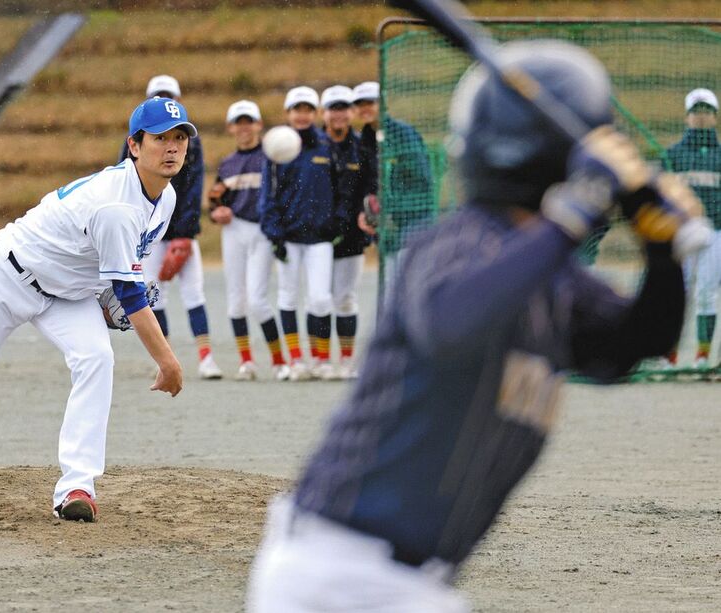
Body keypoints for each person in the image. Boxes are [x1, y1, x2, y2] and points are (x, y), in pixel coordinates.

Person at [247, 41, 705, 611]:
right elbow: (453, 324)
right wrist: (578, 206)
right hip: (341, 570)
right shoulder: (455, 243)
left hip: (405, 581)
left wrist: (662, 253)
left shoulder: (554, 279)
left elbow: (637, 345)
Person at [0, 97, 193, 523]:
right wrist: (168, 361)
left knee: (97, 358)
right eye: (161, 138)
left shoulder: (167, 198)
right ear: (134, 146)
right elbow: (130, 291)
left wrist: (105, 299)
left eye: (180, 138)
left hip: (67, 294)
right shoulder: (115, 205)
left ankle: (77, 487)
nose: (173, 147)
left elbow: (115, 272)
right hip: (5, 275)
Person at [120, 75, 223, 380]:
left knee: (194, 292)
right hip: (149, 233)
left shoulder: (192, 142)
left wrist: (185, 235)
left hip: (179, 229)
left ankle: (206, 358)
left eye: (170, 97)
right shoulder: (137, 140)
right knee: (154, 295)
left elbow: (192, 189)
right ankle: (165, 359)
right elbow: (125, 184)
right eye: (158, 96)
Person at [259, 86, 345, 381]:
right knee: (288, 297)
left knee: (321, 299)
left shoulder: (326, 146)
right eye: (297, 109)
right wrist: (274, 235)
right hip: (289, 238)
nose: (302, 115)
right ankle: (296, 361)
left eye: (308, 109)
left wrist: (338, 223)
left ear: (315, 113)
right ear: (288, 114)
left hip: (320, 237)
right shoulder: (276, 148)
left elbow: (339, 190)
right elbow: (267, 196)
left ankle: (321, 360)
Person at [208, 100, 291, 381]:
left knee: (257, 300)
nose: (244, 128)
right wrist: (216, 212)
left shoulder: (271, 155)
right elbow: (216, 199)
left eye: (249, 122)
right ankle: (247, 363)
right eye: (238, 123)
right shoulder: (228, 164)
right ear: (231, 128)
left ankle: (280, 362)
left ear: (258, 125)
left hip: (262, 231)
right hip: (234, 230)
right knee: (235, 301)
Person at [353, 81, 435, 296]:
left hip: (413, 221)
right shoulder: (366, 138)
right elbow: (367, 183)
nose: (365, 108)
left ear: (383, 103)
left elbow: (422, 180)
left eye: (370, 102)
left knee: (409, 290)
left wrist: (388, 207)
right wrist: (366, 213)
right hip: (389, 227)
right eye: (360, 104)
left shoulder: (403, 134)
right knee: (390, 289)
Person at [665, 88, 721, 368]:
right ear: (687, 117)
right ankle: (670, 355)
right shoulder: (672, 154)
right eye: (696, 111)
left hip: (715, 232)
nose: (701, 116)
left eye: (707, 111)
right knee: (677, 291)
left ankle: (702, 356)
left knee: (707, 291)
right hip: (682, 231)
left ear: (715, 117)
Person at [320, 85, 372, 379]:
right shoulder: (314, 144)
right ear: (324, 113)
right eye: (333, 108)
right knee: (320, 298)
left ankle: (347, 361)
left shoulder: (361, 146)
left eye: (344, 108)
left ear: (351, 113)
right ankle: (323, 361)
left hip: (352, 236)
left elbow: (367, 186)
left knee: (346, 298)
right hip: (319, 235)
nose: (339, 114)